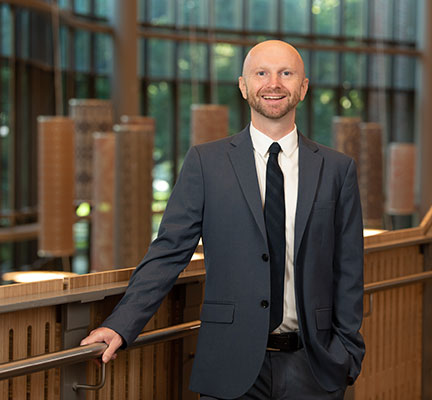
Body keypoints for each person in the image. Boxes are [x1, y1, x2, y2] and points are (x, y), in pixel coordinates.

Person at [81, 40, 365, 399]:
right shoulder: (206, 163)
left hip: (314, 367)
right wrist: (120, 327)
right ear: (244, 86)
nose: (273, 83)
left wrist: (347, 354)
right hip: (229, 365)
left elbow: (350, 269)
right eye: (261, 73)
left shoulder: (337, 170)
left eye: (286, 73)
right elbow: (168, 252)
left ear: (303, 87)